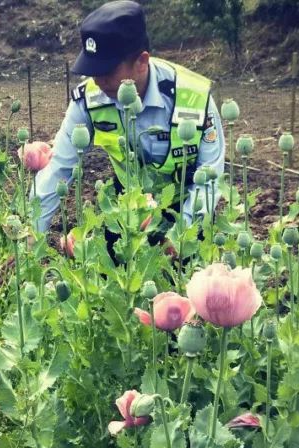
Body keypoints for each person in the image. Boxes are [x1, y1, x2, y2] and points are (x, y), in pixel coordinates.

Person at [30, 0, 225, 259]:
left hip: (187, 205)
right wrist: (30, 236)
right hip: (125, 209)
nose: (98, 81)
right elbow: (58, 169)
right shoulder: (89, 99)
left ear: (142, 61)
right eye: (92, 70)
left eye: (107, 70)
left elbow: (209, 176)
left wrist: (181, 236)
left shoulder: (194, 99)